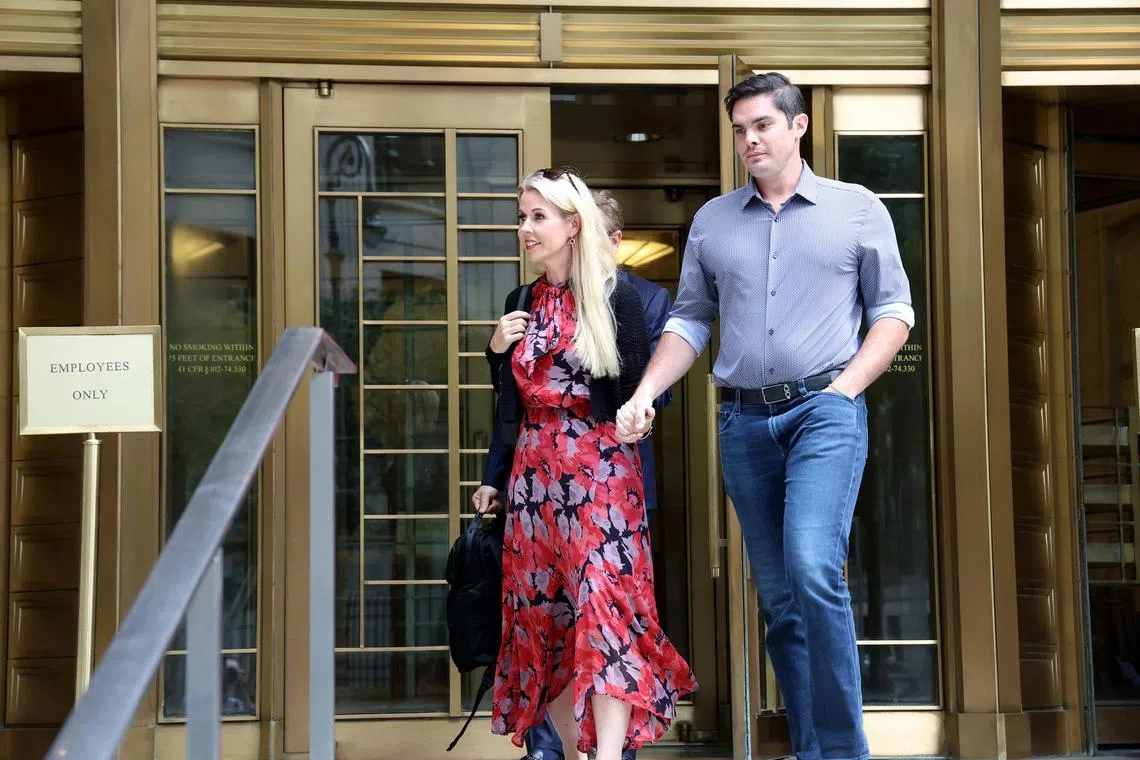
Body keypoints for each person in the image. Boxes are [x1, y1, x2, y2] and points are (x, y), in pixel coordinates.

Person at [616, 73, 913, 760]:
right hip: (744, 424)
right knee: (781, 600)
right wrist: (643, 393)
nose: (750, 140)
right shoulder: (713, 221)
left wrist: (845, 390)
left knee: (813, 568)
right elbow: (690, 319)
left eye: (762, 126)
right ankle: (812, 749)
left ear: (798, 125)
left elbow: (894, 311)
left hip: (824, 410)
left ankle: (843, 752)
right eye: (740, 130)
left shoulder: (857, 209)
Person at [471, 167, 696, 760]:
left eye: (537, 217)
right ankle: (566, 752)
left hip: (600, 476)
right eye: (521, 217)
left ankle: (611, 755)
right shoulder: (521, 300)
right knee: (543, 619)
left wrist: (639, 414)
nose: (525, 228)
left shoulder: (618, 295)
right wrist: (496, 352)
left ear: (573, 226)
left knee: (606, 612)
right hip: (533, 480)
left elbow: (645, 390)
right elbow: (513, 401)